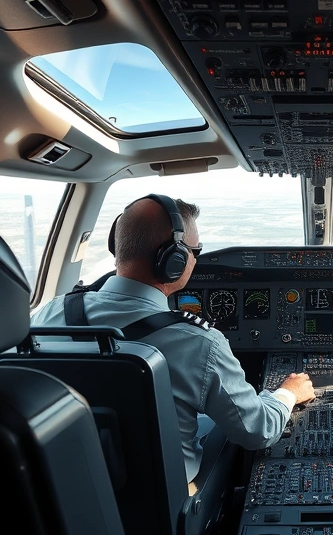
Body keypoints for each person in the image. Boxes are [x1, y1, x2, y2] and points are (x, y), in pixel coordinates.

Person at [32, 194, 314, 489]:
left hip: (63, 490)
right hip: (159, 506)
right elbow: (258, 431)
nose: (196, 258)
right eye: (195, 250)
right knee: (224, 424)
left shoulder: (49, 314)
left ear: (118, 247)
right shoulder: (199, 343)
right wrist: (287, 393)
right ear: (173, 260)